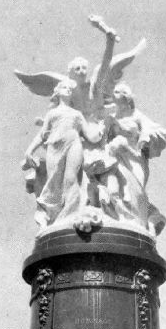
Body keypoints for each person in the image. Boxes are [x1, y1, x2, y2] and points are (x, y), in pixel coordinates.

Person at [22, 80, 103, 229]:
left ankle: (71, 213)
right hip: (55, 146)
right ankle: (56, 215)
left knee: (71, 179)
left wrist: (101, 128)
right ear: (57, 92)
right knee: (55, 180)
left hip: (73, 143)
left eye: (69, 88)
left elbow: (91, 136)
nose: (68, 90)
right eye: (64, 88)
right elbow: (41, 135)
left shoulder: (77, 114)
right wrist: (30, 150)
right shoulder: (53, 113)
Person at [100, 83, 166, 235]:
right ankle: (121, 216)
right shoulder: (111, 117)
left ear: (126, 96)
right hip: (117, 156)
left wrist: (145, 138)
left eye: (119, 92)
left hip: (135, 157)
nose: (115, 94)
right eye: (115, 92)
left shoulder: (136, 115)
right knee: (119, 185)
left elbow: (153, 129)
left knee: (137, 189)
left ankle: (138, 221)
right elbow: (101, 137)